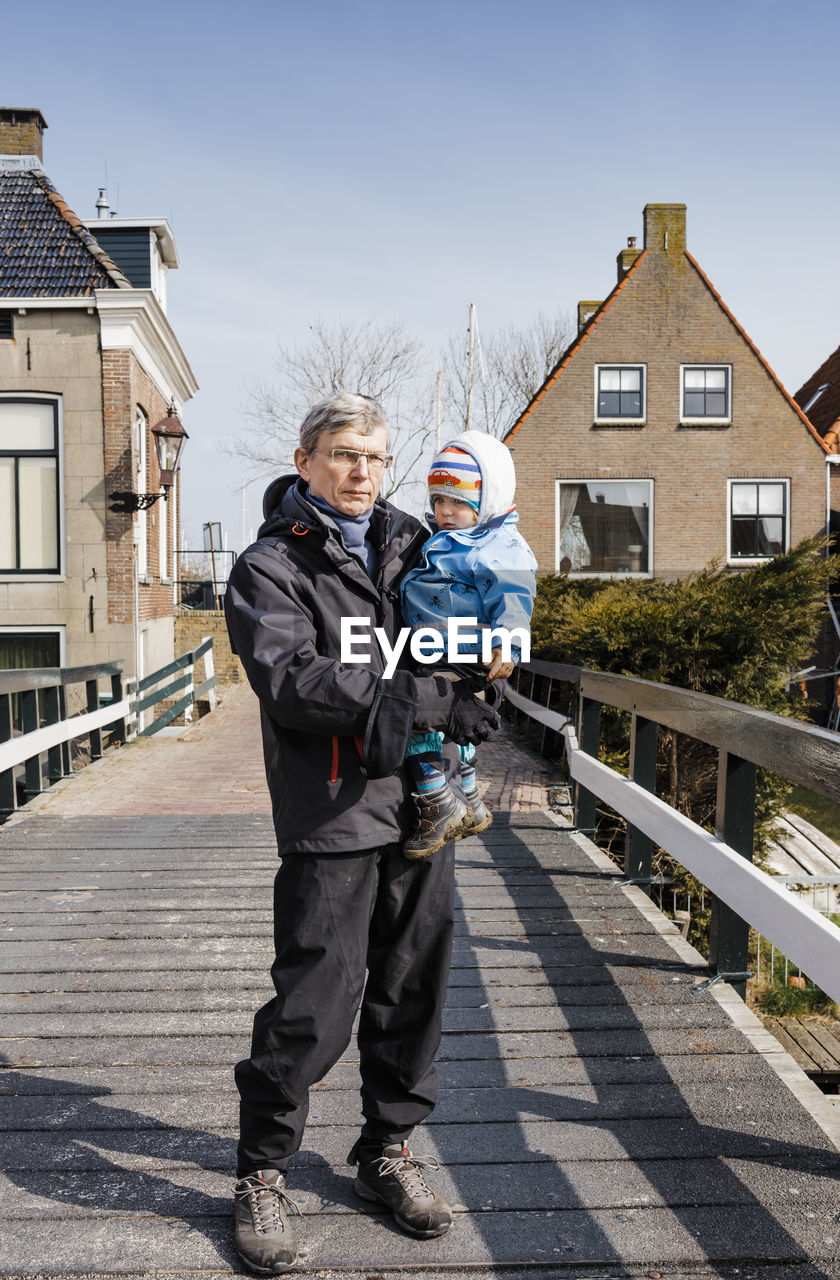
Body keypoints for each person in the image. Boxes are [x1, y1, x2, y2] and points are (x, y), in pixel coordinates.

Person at [223, 393, 500, 1274]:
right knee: (314, 1002)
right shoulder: (270, 567)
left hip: (423, 806)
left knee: (412, 991)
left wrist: (488, 658)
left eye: (377, 458)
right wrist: (419, 699)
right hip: (333, 806)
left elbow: (463, 618)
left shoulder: (422, 543)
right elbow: (293, 681)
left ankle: (387, 1150)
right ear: (305, 460)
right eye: (344, 454)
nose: (362, 472)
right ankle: (261, 1170)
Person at [400, 432, 537, 858]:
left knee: (413, 718)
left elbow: (515, 597)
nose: (445, 512)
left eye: (458, 502)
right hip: (437, 646)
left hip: (462, 651)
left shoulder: (498, 544)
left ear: (486, 499)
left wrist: (508, 646)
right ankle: (472, 802)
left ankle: (437, 801)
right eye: (438, 500)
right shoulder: (456, 537)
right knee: (459, 725)